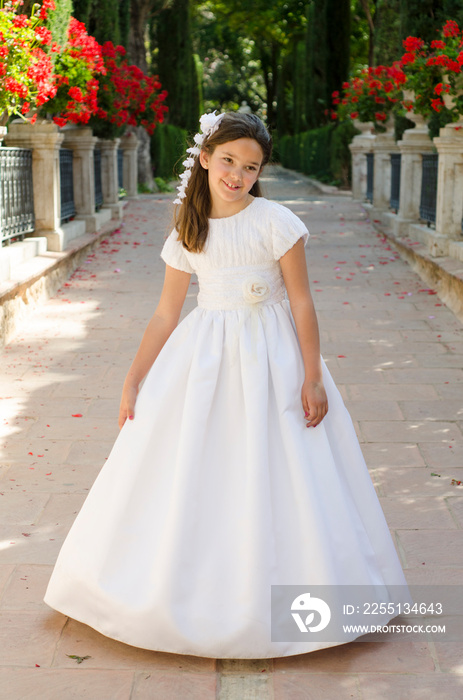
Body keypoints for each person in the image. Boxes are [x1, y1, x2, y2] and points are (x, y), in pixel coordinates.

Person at [44, 110, 412, 659]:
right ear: (206, 159)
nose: (237, 175)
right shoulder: (188, 228)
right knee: (199, 460)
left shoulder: (274, 221)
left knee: (283, 460)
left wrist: (312, 376)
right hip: (205, 358)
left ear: (260, 172)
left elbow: (303, 301)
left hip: (273, 356)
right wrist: (133, 379)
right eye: (228, 162)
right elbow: (167, 315)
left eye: (250, 166)